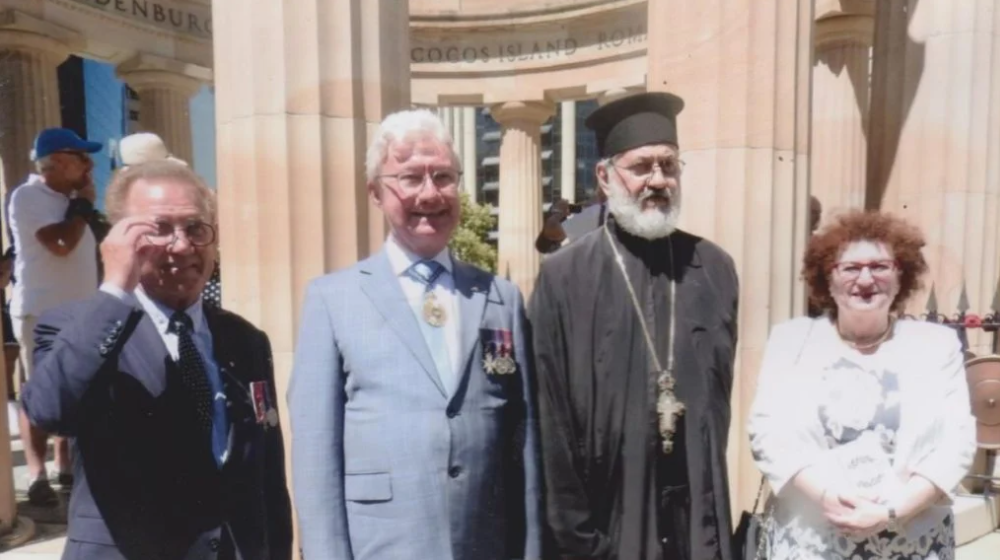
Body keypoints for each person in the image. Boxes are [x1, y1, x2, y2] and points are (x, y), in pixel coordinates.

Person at [288, 109, 541, 560]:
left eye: (443, 176)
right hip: (382, 547)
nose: (430, 193)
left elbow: (526, 447)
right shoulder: (333, 298)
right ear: (376, 192)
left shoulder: (500, 297)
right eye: (410, 178)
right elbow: (315, 456)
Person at [21, 161, 293, 559]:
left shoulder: (245, 340)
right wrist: (115, 289)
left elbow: (267, 478)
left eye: (196, 228)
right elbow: (50, 410)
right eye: (158, 228)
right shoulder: (77, 327)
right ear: (118, 241)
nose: (181, 245)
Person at [530, 92, 740, 560]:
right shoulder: (564, 277)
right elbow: (550, 427)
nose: (658, 180)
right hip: (608, 526)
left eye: (669, 165)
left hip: (694, 517)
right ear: (605, 177)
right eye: (641, 166)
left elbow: (717, 408)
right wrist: (580, 542)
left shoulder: (715, 268)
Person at [748, 211, 976, 560]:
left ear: (902, 275)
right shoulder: (790, 342)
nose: (866, 279)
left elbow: (956, 442)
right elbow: (767, 433)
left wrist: (891, 511)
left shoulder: (937, 345)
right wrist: (828, 498)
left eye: (880, 266)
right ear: (828, 277)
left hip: (911, 538)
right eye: (850, 268)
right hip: (815, 539)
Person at [9, 128, 103, 505]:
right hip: (43, 311)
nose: (90, 165)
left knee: (76, 389)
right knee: (40, 393)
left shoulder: (72, 203)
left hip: (81, 310)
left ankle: (66, 467)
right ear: (60, 161)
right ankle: (36, 476)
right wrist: (81, 208)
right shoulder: (28, 195)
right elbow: (60, 245)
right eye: (83, 157)